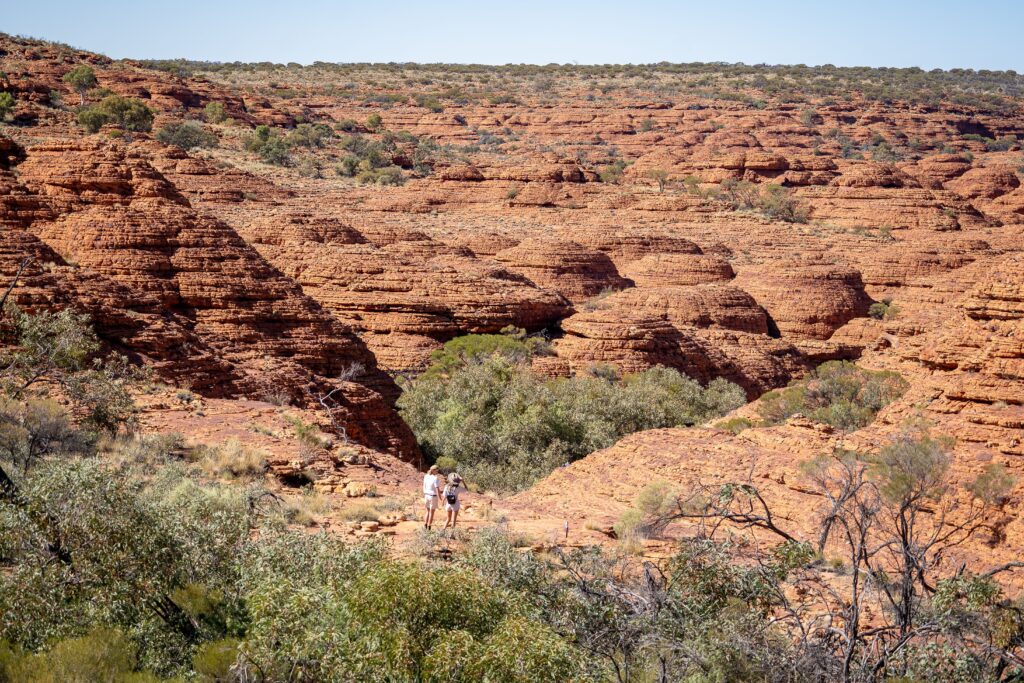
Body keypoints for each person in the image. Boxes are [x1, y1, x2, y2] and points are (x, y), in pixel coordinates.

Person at [422, 464, 442, 530]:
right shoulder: (435, 478)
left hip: (426, 495)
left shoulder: (426, 476)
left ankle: (425, 525)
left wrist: (424, 493)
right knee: (432, 512)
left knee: (427, 511)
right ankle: (429, 527)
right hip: (433, 496)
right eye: (437, 470)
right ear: (433, 470)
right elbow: (437, 488)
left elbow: (424, 485)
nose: (437, 472)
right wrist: (440, 497)